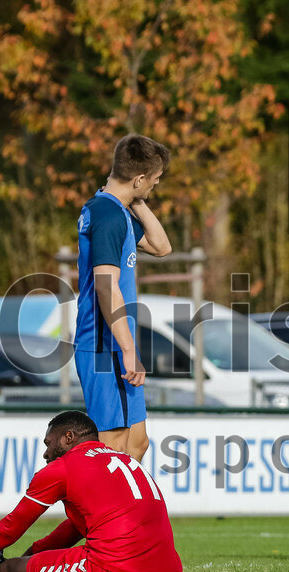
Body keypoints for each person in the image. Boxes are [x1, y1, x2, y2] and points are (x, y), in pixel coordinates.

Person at [0, 411, 182, 572]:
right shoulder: (123, 458)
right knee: (22, 568)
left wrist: (21, 563)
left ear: (68, 437)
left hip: (115, 570)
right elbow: (73, 529)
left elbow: (12, 526)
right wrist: (32, 555)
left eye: (48, 443)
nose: (46, 454)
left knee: (8, 570)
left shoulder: (62, 466)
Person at [75, 134, 173, 462]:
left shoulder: (118, 210)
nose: (156, 185)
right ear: (139, 178)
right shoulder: (107, 215)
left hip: (117, 344)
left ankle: (116, 501)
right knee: (112, 449)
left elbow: (161, 247)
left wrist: (136, 199)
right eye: (154, 180)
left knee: (136, 445)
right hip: (105, 347)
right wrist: (128, 350)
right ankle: (87, 499)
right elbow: (106, 285)